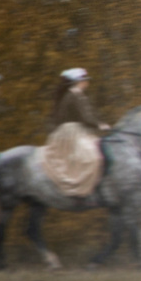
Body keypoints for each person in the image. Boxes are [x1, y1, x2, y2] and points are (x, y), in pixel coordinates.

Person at [42, 66, 108, 199]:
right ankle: (79, 188)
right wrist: (99, 125)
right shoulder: (73, 95)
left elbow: (89, 115)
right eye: (85, 80)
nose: (87, 83)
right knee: (92, 156)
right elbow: (84, 117)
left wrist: (100, 123)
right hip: (70, 132)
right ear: (78, 82)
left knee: (98, 147)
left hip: (78, 130)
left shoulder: (78, 94)